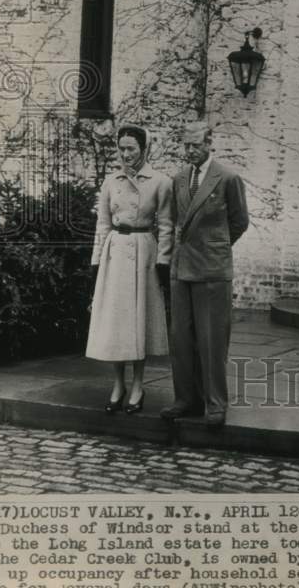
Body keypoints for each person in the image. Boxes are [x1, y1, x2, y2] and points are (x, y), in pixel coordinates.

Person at [161, 122, 249, 426]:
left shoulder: (227, 178)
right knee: (180, 338)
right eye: (186, 145)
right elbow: (175, 220)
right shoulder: (180, 179)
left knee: (212, 340)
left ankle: (215, 404)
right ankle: (186, 399)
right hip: (181, 267)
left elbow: (239, 221)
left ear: (209, 143)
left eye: (195, 145)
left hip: (212, 268)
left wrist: (216, 246)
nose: (190, 150)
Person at [86, 124, 173, 414]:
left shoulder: (160, 182)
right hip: (115, 253)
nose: (126, 154)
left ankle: (138, 384)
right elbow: (102, 224)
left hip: (143, 251)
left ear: (143, 149)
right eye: (121, 148)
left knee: (138, 321)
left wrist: (162, 261)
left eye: (131, 149)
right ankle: (118, 384)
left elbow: (166, 225)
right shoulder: (111, 182)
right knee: (116, 321)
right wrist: (96, 260)